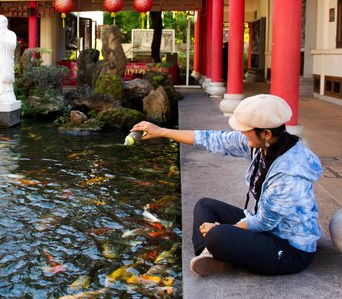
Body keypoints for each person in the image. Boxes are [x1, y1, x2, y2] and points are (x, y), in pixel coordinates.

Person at [131, 94, 322, 277]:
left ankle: (218, 249)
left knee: (217, 235)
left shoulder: (289, 172)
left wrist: (224, 228)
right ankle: (208, 255)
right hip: (264, 228)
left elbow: (264, 222)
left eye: (246, 130)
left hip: (288, 247)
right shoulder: (264, 143)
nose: (241, 134)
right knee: (204, 205)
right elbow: (214, 139)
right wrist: (162, 132)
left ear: (266, 133)